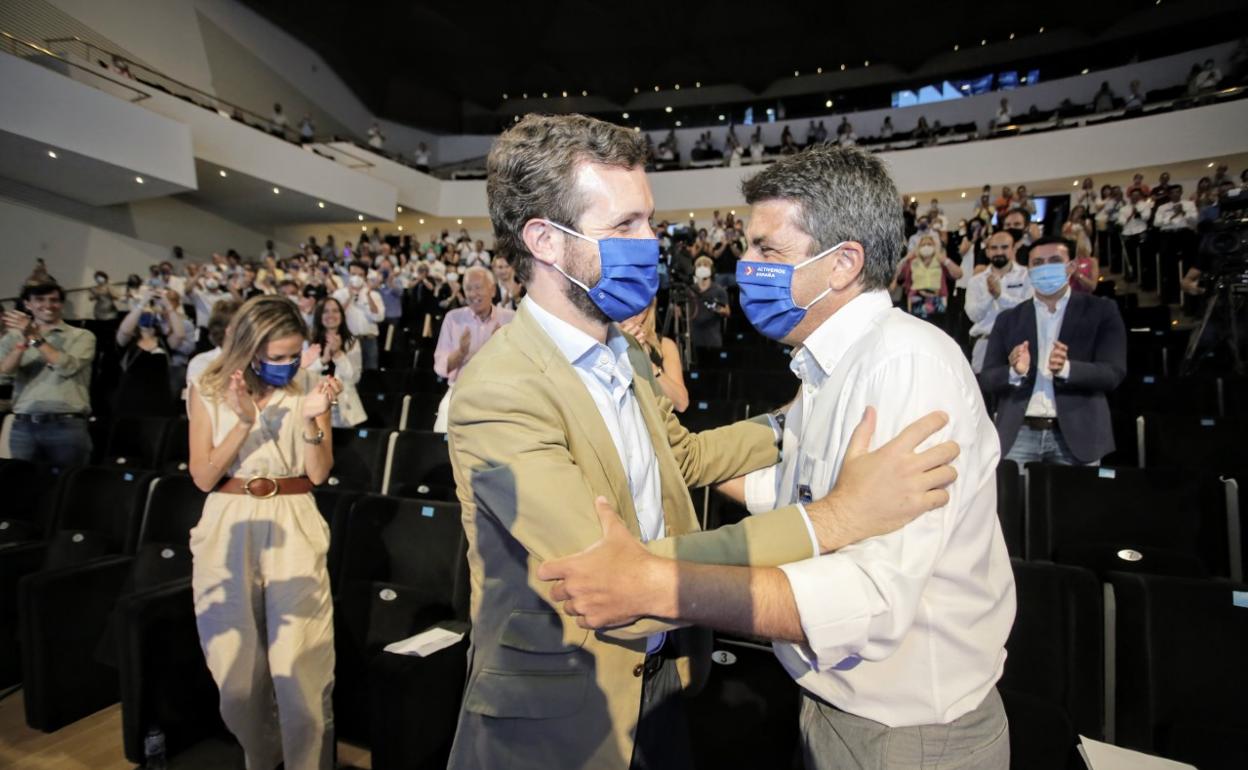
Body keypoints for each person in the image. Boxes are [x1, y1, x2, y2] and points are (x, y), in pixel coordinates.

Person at [445, 114, 959, 770]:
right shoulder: (499, 389)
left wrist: (790, 423)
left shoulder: (622, 356)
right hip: (561, 716)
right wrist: (834, 519)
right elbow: (616, 585)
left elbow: (683, 458)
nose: (650, 242)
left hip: (659, 683)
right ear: (545, 240)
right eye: (624, 225)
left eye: (649, 221)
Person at [187, 295, 342, 770]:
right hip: (227, 525)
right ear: (249, 348)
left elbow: (318, 473)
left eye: (294, 354)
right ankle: (263, 757)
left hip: (294, 518)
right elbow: (203, 476)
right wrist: (242, 424)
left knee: (301, 673)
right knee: (236, 681)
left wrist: (315, 417)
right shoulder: (207, 388)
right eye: (276, 356)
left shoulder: (309, 386)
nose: (287, 364)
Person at [981, 236, 1126, 467]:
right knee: (1014, 503)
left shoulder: (1101, 311)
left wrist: (1067, 368)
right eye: (1038, 263)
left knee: (1076, 503)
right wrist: (1014, 372)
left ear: (1071, 266)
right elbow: (988, 378)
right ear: (1028, 270)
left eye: (1054, 260)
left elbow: (1113, 373)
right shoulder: (1009, 319)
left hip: (1079, 435)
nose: (1045, 268)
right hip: (1018, 434)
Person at [1, 283, 96, 466]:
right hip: (23, 425)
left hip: (65, 425)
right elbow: (4, 373)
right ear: (28, 304)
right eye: (40, 300)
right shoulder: (12, 337)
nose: (48, 305)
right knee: (22, 486)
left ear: (61, 304)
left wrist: (35, 337)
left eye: (54, 300)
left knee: (66, 486)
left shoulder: (81, 335)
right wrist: (22, 342)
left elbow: (67, 367)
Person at [432, 266, 515, 432]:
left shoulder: (510, 318)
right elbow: (441, 367)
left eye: (478, 288)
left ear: (492, 290)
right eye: (468, 289)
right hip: (460, 390)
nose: (473, 294)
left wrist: (499, 346)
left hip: (499, 391)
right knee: (443, 425)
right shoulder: (453, 319)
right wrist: (461, 352)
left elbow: (519, 364)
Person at [965, 231, 1033, 373]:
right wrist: (990, 295)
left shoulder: (1027, 276)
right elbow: (973, 315)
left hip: (1019, 344)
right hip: (984, 343)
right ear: (988, 252)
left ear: (1013, 249)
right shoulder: (976, 281)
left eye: (1004, 247)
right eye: (994, 248)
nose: (999, 252)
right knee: (984, 390)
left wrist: (1000, 296)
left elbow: (1029, 309)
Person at [619, 298, 688, 412]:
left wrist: (645, 360)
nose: (634, 313)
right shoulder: (601, 340)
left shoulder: (665, 345)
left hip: (655, 421)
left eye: (641, 308)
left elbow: (681, 404)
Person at [306, 297, 364, 428]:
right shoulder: (308, 342)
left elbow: (354, 377)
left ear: (341, 315)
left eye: (335, 311)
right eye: (325, 311)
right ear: (319, 315)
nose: (331, 315)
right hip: (314, 406)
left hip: (344, 408)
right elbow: (303, 375)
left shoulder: (352, 342)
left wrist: (338, 354)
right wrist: (323, 360)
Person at [891, 233, 962, 327]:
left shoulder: (941, 262)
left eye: (929, 244)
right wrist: (906, 258)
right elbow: (896, 274)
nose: (926, 247)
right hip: (916, 300)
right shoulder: (912, 262)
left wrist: (945, 260)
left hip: (937, 300)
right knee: (917, 330)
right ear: (918, 247)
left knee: (937, 331)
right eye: (923, 245)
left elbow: (959, 274)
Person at [331, 262, 384, 370]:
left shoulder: (374, 294)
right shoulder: (339, 294)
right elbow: (335, 317)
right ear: (348, 275)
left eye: (360, 275)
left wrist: (368, 296)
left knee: (371, 373)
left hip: (370, 340)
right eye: (353, 274)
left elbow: (379, 317)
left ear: (365, 277)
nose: (356, 277)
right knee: (351, 374)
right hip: (349, 340)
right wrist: (349, 297)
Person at [690, 255, 730, 351]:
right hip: (694, 337)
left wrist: (717, 308)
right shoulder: (690, 290)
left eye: (705, 265)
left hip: (712, 337)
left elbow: (727, 312)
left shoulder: (719, 290)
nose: (702, 267)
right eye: (699, 265)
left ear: (711, 269)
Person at [1118, 186, 1152, 284]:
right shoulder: (1124, 208)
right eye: (1133, 195)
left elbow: (1146, 217)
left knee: (1143, 256)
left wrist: (1138, 213)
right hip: (1128, 233)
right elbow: (1121, 222)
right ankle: (1131, 274)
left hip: (1141, 232)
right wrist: (1131, 214)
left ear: (1140, 196)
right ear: (1130, 196)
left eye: (1137, 195)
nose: (1135, 197)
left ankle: (1144, 276)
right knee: (1129, 256)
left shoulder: (1145, 205)